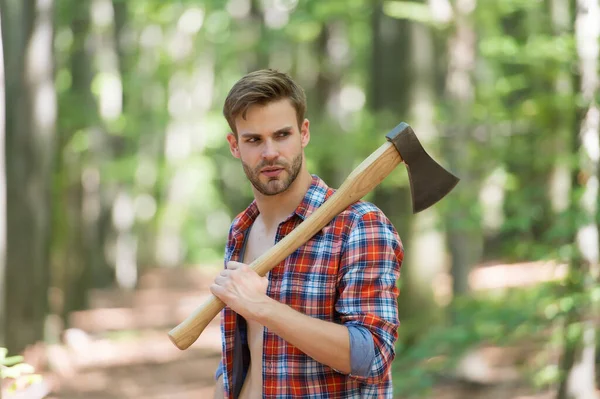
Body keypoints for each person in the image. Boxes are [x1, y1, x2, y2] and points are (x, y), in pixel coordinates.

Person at [211, 69, 403, 399]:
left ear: (304, 133)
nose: (269, 152)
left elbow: (372, 355)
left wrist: (264, 307)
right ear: (235, 145)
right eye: (254, 139)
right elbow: (243, 353)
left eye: (282, 135)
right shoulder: (241, 229)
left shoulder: (358, 226)